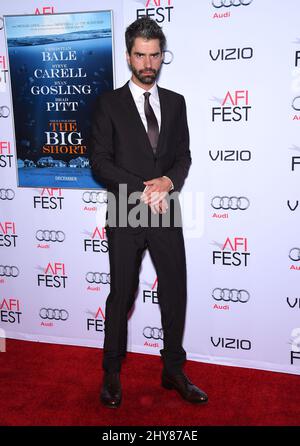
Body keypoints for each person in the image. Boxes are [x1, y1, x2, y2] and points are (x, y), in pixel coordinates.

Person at [90, 16, 208, 408]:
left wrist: (169, 182)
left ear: (162, 56)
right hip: (126, 208)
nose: (148, 63)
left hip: (166, 209)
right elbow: (100, 163)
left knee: (175, 290)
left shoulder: (176, 103)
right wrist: (146, 187)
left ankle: (173, 370)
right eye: (140, 55)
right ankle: (111, 371)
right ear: (128, 56)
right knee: (121, 294)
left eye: (154, 55)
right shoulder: (108, 103)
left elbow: (183, 157)